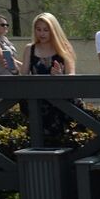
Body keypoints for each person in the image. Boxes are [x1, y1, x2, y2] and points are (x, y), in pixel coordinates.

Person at [23, 12, 76, 144]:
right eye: (38, 29)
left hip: (63, 103)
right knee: (39, 142)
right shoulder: (30, 49)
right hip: (38, 104)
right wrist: (12, 69)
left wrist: (59, 77)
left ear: (54, 30)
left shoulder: (64, 48)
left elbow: (72, 75)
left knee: (65, 142)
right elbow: (23, 76)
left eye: (46, 30)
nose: (42, 33)